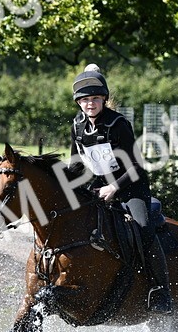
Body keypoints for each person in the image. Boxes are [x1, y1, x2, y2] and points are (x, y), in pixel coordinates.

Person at [70, 64, 172, 314]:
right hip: (99, 186)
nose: (90, 104)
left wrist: (114, 188)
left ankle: (160, 292)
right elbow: (74, 166)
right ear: (79, 103)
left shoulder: (117, 124)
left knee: (143, 229)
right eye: (85, 100)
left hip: (131, 187)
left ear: (104, 99)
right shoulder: (77, 125)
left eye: (95, 98)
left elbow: (137, 165)